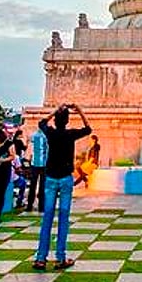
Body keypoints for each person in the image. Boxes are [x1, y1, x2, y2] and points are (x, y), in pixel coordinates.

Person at [34, 103, 91, 271]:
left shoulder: (51, 133)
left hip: (51, 178)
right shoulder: (70, 134)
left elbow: (41, 123)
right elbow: (88, 129)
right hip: (65, 178)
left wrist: (55, 110)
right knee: (63, 218)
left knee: (47, 218)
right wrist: (80, 110)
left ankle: (41, 258)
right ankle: (60, 257)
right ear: (67, 121)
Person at [25, 122, 48, 212]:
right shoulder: (46, 136)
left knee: (33, 185)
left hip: (34, 163)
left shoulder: (34, 136)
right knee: (43, 186)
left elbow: (29, 150)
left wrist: (28, 159)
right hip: (44, 164)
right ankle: (41, 206)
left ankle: (29, 205)